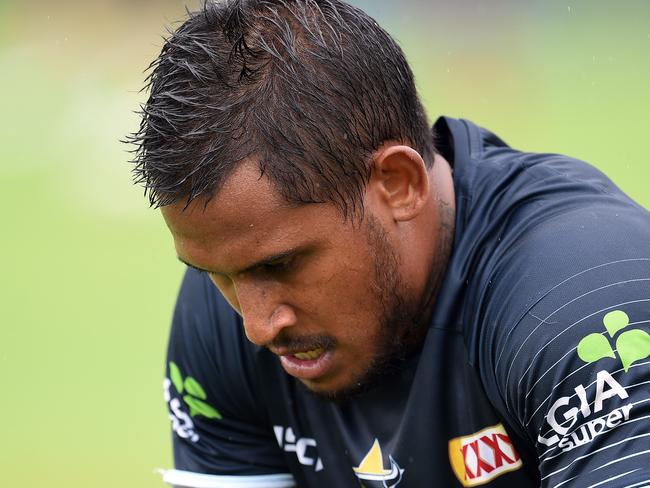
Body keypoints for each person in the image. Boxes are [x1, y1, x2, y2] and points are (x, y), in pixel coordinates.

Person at [129, 1, 650, 486]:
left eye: (282, 264)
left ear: (399, 183)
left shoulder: (579, 299)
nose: (258, 326)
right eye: (216, 275)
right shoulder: (228, 301)